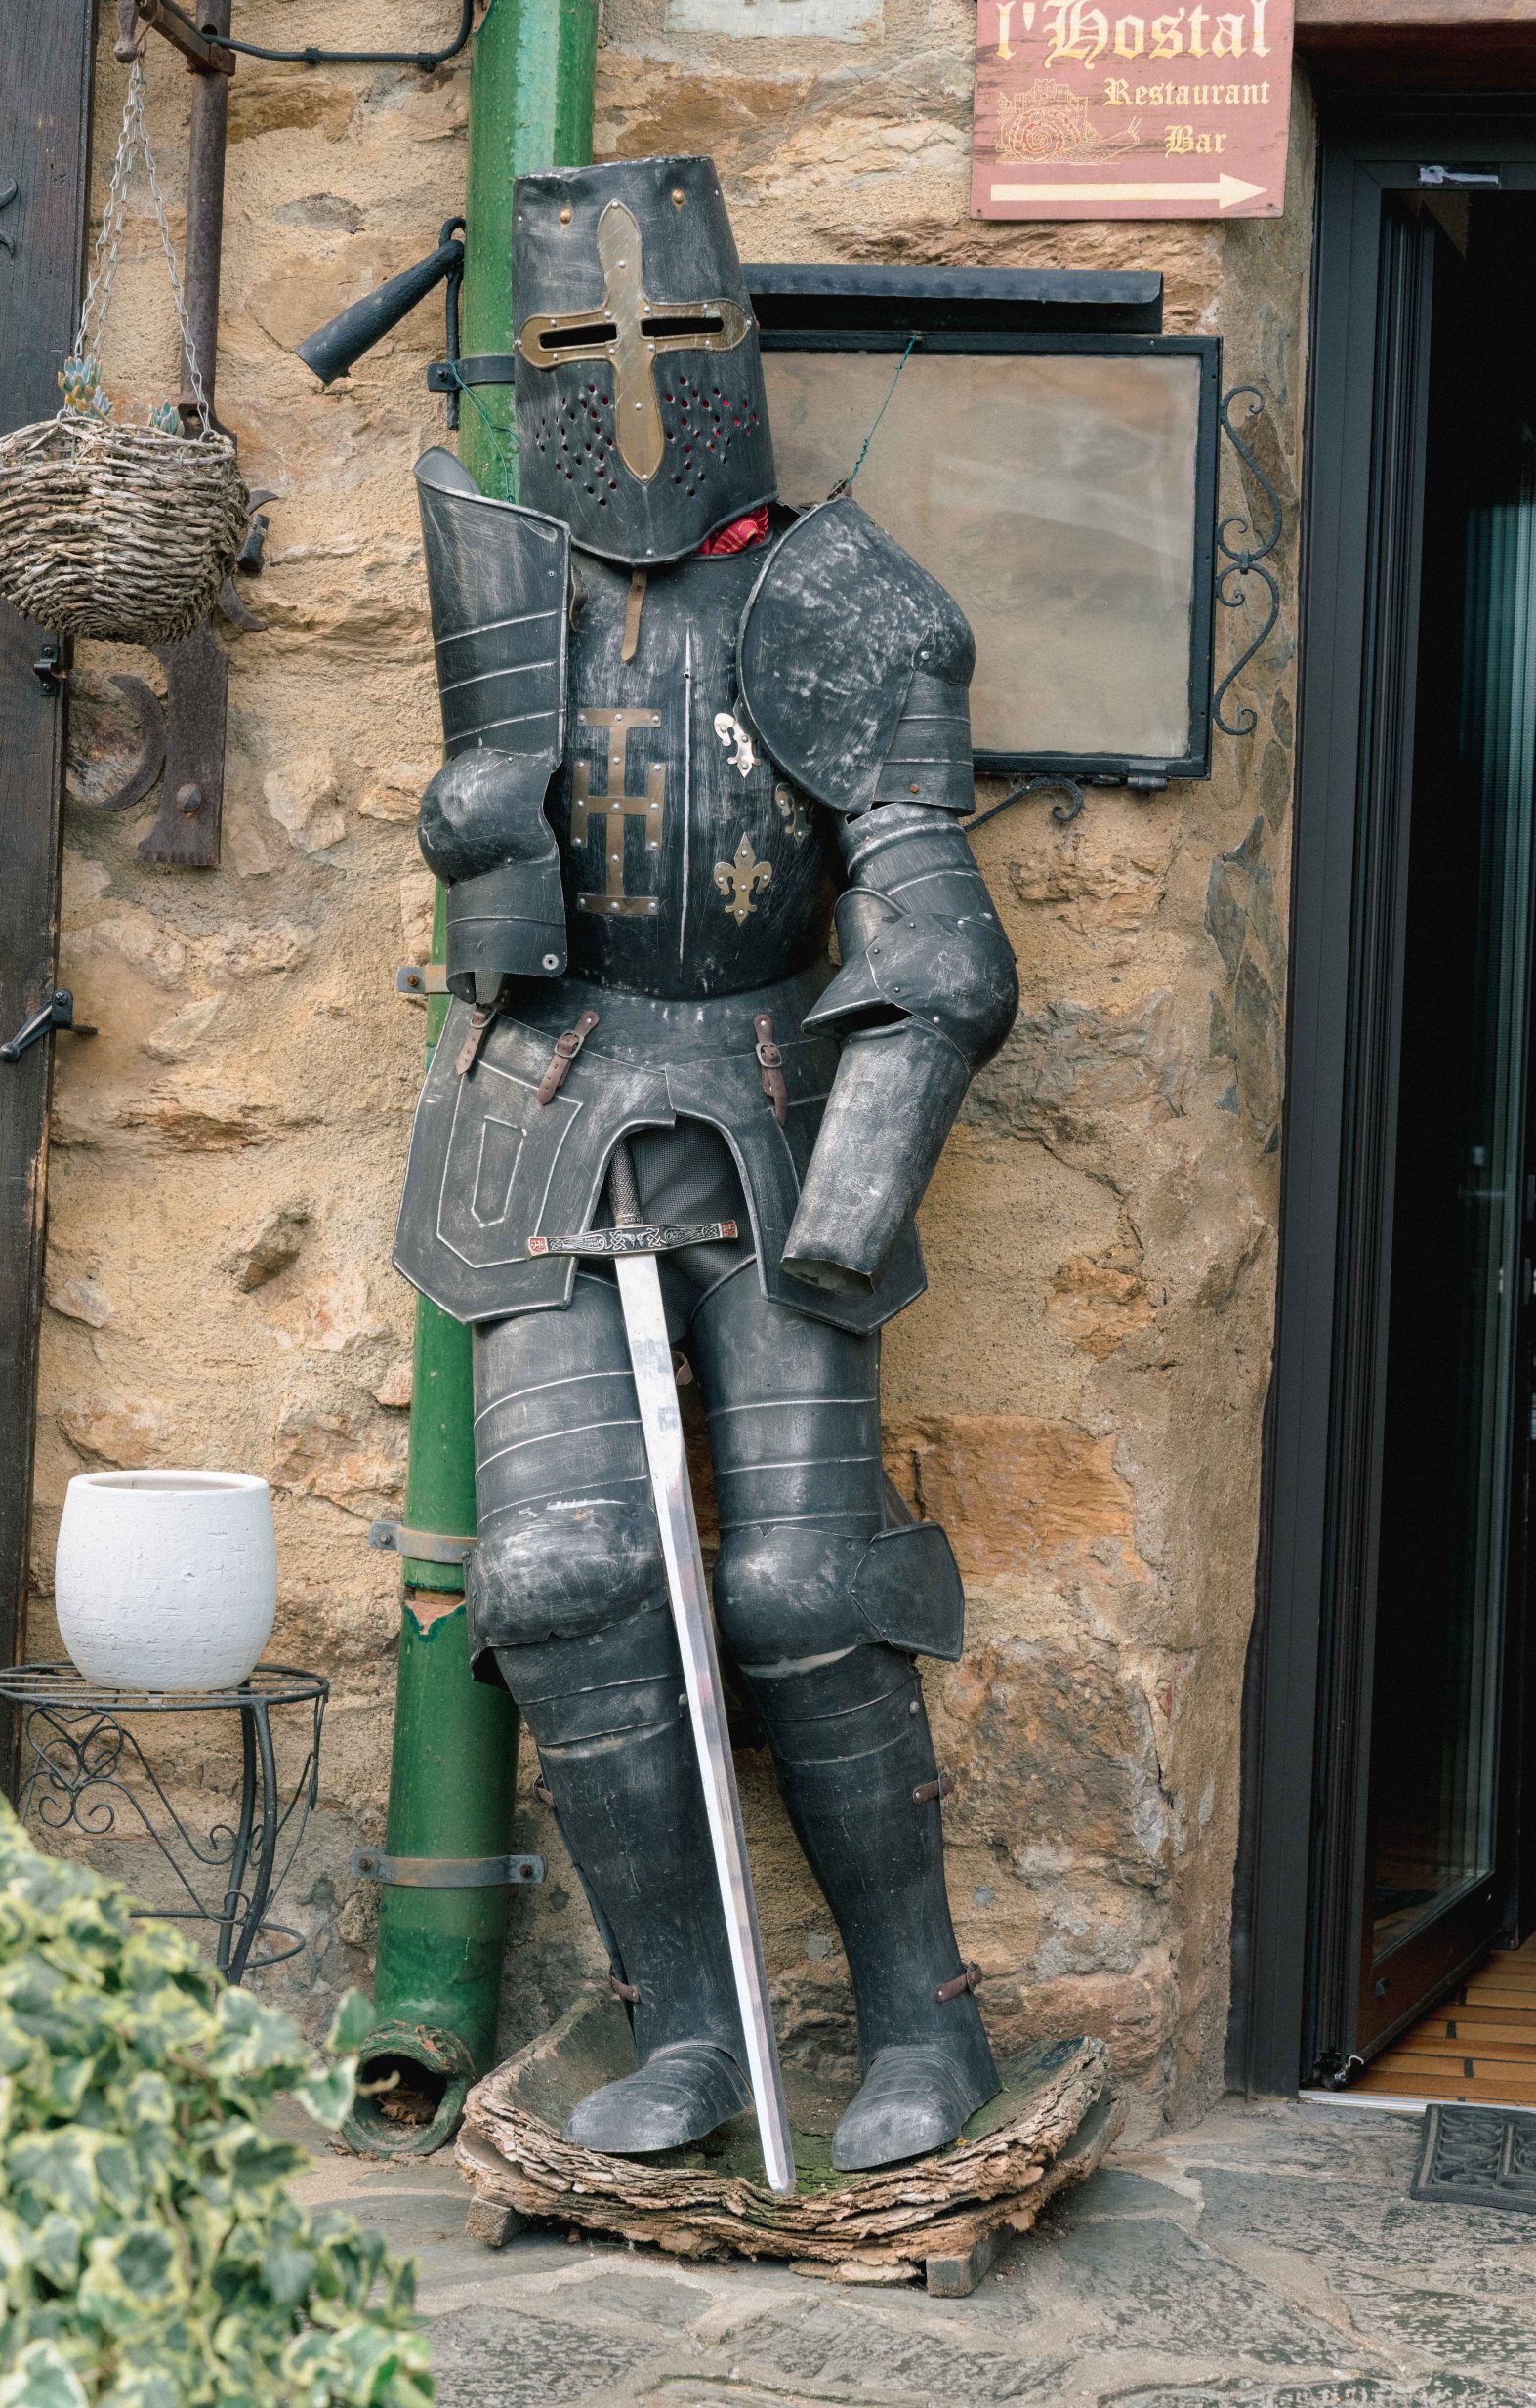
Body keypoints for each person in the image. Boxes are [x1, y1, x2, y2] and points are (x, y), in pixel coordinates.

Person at [394, 155, 1018, 2171]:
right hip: (542, 1100)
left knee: (801, 1583)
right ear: (526, 366)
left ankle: (921, 2020)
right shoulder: (509, 599)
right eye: (581, 337)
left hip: (765, 1089)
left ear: (738, 336)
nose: (633, 380)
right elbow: (499, 924)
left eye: (669, 327)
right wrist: (479, 831)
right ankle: (682, 2030)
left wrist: (856, 1189)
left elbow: (936, 944)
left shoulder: (848, 603)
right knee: (560, 1577)